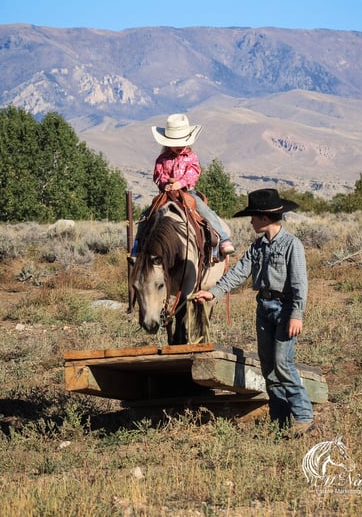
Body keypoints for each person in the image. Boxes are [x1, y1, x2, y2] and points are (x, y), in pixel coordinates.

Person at [194, 188, 316, 436]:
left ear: (264, 217)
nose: (250, 222)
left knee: (283, 364)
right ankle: (280, 421)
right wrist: (214, 293)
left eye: (253, 217)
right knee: (269, 368)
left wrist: (296, 314)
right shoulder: (257, 246)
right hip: (264, 309)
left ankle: (304, 416)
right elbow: (239, 273)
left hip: (285, 310)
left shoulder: (293, 245)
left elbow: (299, 283)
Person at [134, 113, 235, 257]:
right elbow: (158, 175)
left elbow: (193, 173)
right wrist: (165, 185)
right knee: (146, 215)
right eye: (175, 144)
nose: (179, 146)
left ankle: (224, 239)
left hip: (188, 192)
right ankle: (138, 246)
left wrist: (180, 183)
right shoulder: (162, 159)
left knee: (204, 211)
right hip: (166, 194)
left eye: (182, 142)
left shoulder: (192, 157)